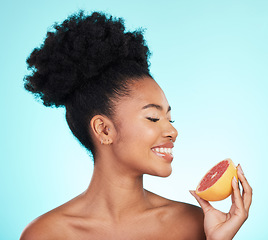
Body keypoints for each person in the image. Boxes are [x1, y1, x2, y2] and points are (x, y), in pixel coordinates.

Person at [20, 11, 252, 240]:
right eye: (153, 118)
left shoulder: (196, 224)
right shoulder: (45, 234)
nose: (172, 131)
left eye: (170, 119)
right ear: (104, 129)